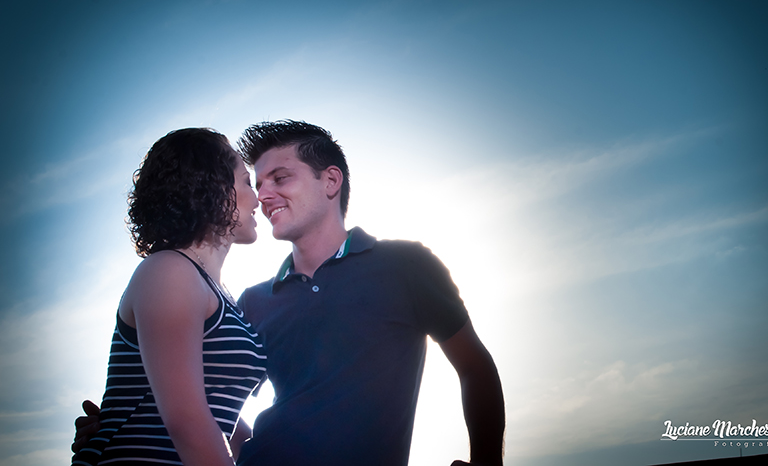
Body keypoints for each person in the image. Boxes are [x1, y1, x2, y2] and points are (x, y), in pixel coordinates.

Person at [76, 120, 505, 466]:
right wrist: (120, 428)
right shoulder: (250, 301)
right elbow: (192, 407)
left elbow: (474, 365)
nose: (263, 195)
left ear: (330, 181)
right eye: (254, 182)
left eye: (280, 178)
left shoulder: (405, 265)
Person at [71, 128, 267, 466]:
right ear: (216, 189)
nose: (258, 198)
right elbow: (187, 422)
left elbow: (222, 416)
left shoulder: (219, 294)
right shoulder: (169, 271)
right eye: (247, 182)